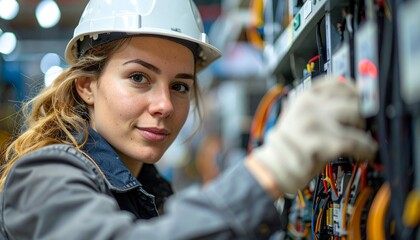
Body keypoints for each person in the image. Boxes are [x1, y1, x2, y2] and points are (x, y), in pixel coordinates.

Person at [0, 0, 378, 239]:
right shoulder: (44, 174)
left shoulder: (150, 191)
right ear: (86, 86)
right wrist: (267, 173)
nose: (164, 104)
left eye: (180, 86)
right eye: (138, 78)